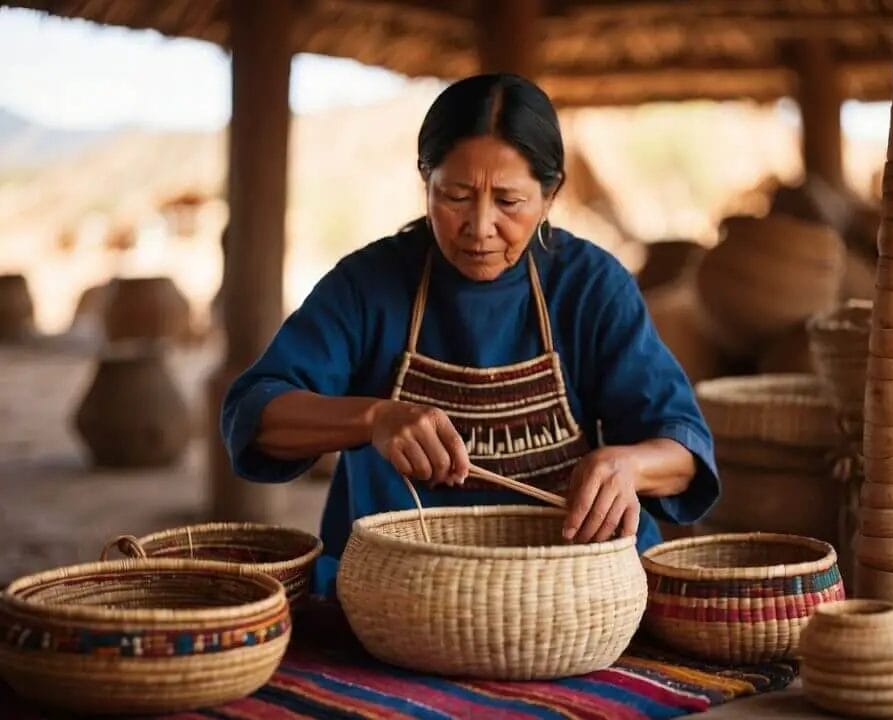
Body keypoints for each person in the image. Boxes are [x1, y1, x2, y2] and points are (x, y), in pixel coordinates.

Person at [221, 73, 719, 596]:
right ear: (425, 182)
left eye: (509, 201)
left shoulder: (589, 286)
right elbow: (254, 414)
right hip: (398, 592)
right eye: (456, 196)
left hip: (569, 594)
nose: (479, 226)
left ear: (550, 196)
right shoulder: (369, 285)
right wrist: (373, 418)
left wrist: (627, 465)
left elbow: (684, 452)